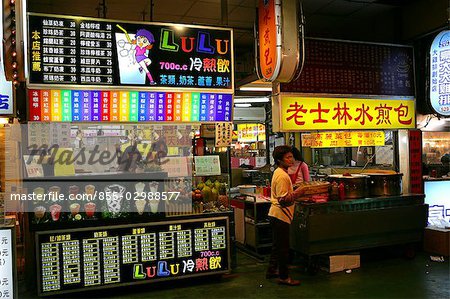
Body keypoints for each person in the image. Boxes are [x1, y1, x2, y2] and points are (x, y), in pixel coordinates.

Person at [266, 145, 307, 286]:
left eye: (292, 157)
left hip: (276, 215)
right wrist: (298, 193)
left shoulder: (279, 172)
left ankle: (272, 270)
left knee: (277, 246)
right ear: (279, 160)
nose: (292, 160)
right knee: (283, 248)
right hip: (280, 215)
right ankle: (284, 277)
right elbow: (283, 200)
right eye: (288, 157)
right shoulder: (283, 176)